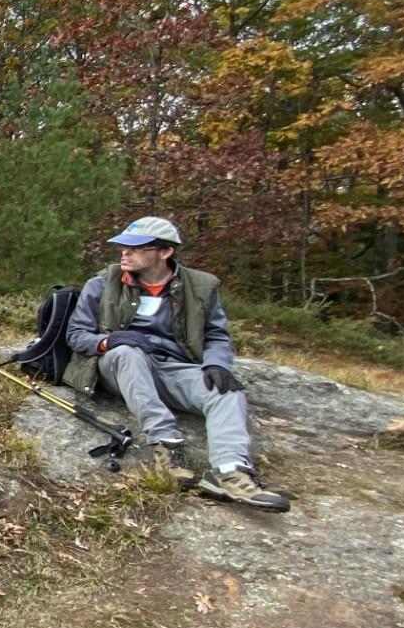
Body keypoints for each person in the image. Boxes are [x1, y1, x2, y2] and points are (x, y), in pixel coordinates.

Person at [63, 215, 288, 510]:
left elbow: (216, 335)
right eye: (123, 247)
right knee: (128, 353)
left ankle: (231, 473)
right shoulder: (102, 283)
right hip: (115, 366)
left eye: (136, 248)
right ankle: (167, 447)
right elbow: (76, 335)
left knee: (228, 391)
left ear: (165, 252)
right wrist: (109, 341)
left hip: (173, 367)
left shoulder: (201, 286)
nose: (124, 253)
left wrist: (217, 364)